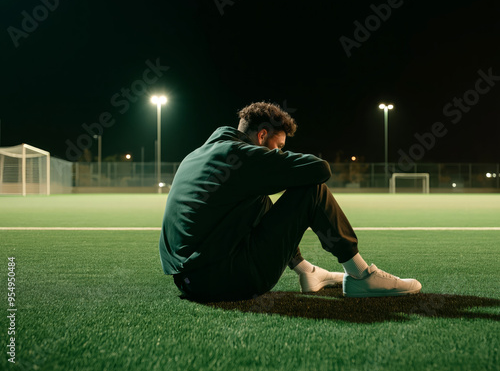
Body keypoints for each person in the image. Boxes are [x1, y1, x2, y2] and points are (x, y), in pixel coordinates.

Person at [159, 102, 421, 301]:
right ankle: (361, 276)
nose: (281, 152)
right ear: (261, 136)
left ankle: (307, 270)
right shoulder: (240, 154)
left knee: (256, 196)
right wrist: (281, 162)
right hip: (226, 279)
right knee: (312, 190)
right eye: (279, 146)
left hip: (188, 280)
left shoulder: (198, 154)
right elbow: (320, 169)